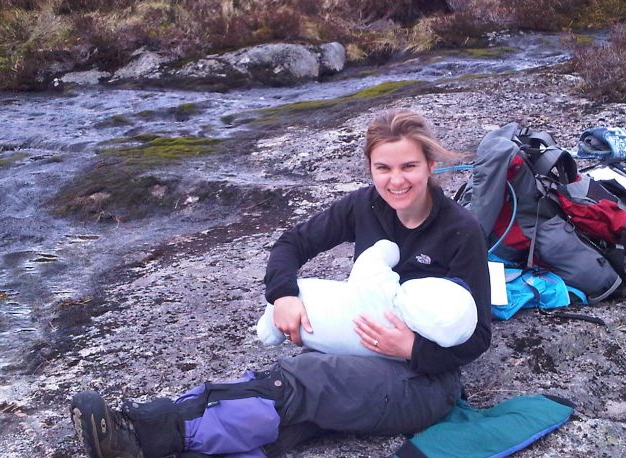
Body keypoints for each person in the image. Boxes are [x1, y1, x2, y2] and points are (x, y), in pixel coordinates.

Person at [70, 108, 493, 458]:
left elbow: (478, 338)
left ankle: (140, 432)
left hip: (425, 382)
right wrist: (284, 295)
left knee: (301, 380)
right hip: (357, 350)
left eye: (408, 167)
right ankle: (162, 441)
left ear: (431, 166)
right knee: (287, 411)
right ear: (370, 168)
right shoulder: (364, 206)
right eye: (383, 168)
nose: (395, 181)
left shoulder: (460, 229)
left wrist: (410, 348)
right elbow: (292, 243)